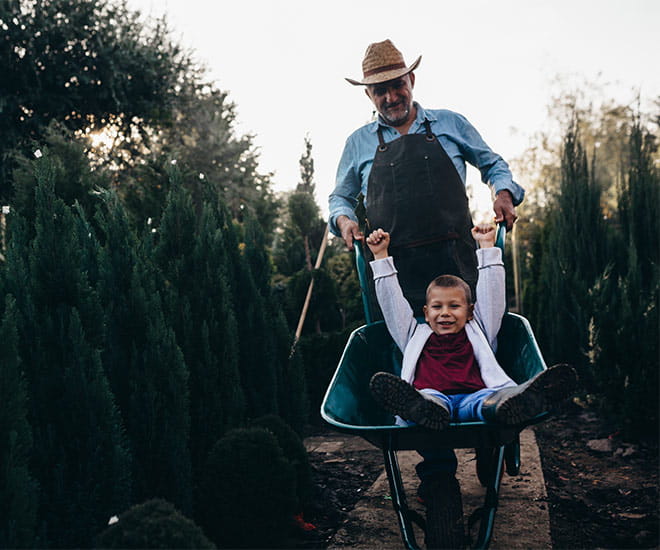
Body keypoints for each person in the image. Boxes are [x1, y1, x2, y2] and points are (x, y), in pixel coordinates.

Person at [364, 223, 577, 548]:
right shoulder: (413, 334)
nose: (445, 313)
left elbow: (492, 296)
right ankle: (421, 409)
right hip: (434, 401)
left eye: (454, 306)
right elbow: (392, 306)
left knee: (493, 401)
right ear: (425, 312)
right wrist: (381, 257)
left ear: (470, 311)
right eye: (436, 307)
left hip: (475, 398)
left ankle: (516, 402)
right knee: (429, 401)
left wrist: (487, 247)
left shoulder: (480, 330)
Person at [328, 39, 525, 313]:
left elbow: (492, 164)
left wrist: (503, 193)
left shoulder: (450, 123)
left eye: (398, 85)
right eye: (380, 91)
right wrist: (344, 220)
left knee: (470, 348)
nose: (391, 97)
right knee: (405, 351)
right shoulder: (357, 143)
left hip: (458, 265)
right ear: (368, 96)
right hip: (394, 273)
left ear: (411, 79)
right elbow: (340, 197)